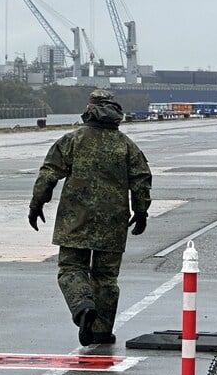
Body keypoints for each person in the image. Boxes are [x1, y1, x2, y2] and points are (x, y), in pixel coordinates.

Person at [28, 89, 152, 346]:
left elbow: (49, 173)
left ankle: (82, 305)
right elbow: (141, 180)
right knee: (106, 277)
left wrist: (36, 204)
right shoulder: (125, 145)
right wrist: (141, 211)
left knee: (71, 268)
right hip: (113, 222)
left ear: (89, 108)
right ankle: (101, 332)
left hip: (76, 220)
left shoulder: (72, 141)